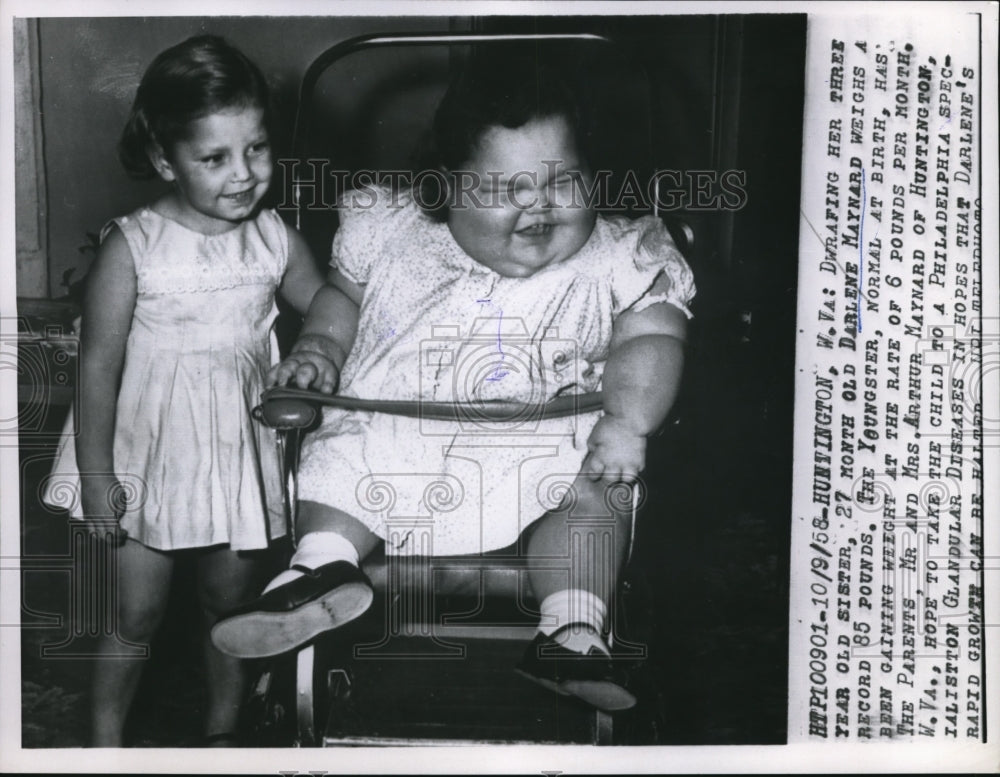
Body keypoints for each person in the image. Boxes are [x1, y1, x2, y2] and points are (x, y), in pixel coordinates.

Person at [211, 58, 695, 712]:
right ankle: (320, 570)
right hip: (395, 437)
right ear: (445, 188)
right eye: (504, 189)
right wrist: (319, 348)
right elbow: (342, 298)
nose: (539, 207)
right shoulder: (395, 229)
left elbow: (653, 339)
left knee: (595, 492)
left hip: (546, 445)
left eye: (563, 181)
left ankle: (571, 628)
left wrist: (627, 421)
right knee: (340, 459)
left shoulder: (619, 251)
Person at [42, 35, 326, 746]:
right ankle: (102, 743)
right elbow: (98, 366)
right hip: (145, 458)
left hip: (235, 450)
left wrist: (323, 344)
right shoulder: (132, 245)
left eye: (257, 148)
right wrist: (100, 475)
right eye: (215, 157)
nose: (244, 174)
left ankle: (222, 735)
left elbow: (330, 304)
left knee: (227, 604)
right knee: (136, 614)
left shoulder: (274, 239)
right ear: (167, 159)